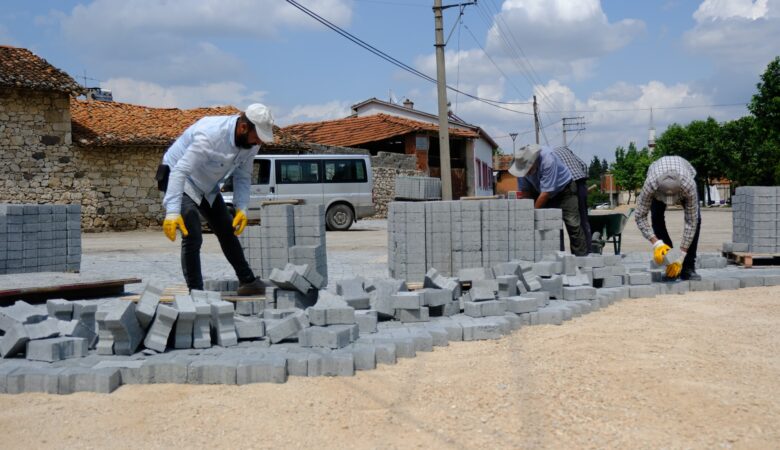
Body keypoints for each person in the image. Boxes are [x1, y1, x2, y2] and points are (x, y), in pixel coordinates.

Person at [157, 103, 273, 294]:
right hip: (180, 178)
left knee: (227, 230)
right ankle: (196, 293)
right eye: (257, 137)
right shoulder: (210, 135)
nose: (259, 142)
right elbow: (180, 171)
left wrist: (242, 208)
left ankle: (248, 282)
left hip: (207, 186)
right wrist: (172, 212)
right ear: (243, 128)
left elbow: (243, 176)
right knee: (192, 234)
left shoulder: (251, 144)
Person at [510, 144, 588, 256]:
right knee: (551, 227)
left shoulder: (548, 159)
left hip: (565, 191)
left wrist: (533, 213)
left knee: (573, 224)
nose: (526, 174)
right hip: (542, 192)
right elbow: (526, 192)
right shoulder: (521, 167)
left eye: (528, 170)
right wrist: (527, 212)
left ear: (534, 162)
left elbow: (546, 193)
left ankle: (581, 259)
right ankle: (557, 260)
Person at [635, 155, 701, 281]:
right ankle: (670, 261)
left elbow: (691, 222)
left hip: (685, 175)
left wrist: (681, 255)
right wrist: (657, 243)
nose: (670, 202)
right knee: (656, 218)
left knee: (697, 220)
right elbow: (640, 216)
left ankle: (688, 267)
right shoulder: (650, 185)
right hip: (657, 179)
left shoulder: (688, 185)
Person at [553, 146, 592, 253]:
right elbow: (583, 165)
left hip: (566, 185)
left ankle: (560, 254)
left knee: (558, 223)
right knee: (583, 221)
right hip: (580, 181)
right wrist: (583, 183)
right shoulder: (564, 149)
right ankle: (587, 253)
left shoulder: (548, 157)